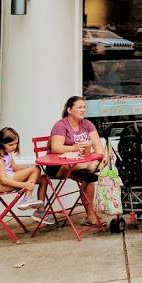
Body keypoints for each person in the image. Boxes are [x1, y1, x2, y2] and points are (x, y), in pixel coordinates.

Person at [49, 96, 107, 226]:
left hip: (79, 165)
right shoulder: (61, 125)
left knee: (89, 178)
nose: (83, 110)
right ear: (69, 110)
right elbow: (55, 147)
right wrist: (74, 147)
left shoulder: (87, 124)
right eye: (79, 107)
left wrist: (100, 158)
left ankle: (90, 215)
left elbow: (98, 148)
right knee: (89, 172)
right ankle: (91, 214)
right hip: (59, 167)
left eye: (84, 107)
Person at [0, 127, 49, 222]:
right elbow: (3, 179)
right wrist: (25, 184)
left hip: (9, 179)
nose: (14, 147)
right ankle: (27, 198)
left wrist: (29, 169)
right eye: (11, 144)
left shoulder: (7, 153)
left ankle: (40, 212)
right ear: (1, 143)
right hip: (0, 184)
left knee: (43, 179)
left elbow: (15, 168)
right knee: (35, 169)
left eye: (16, 144)